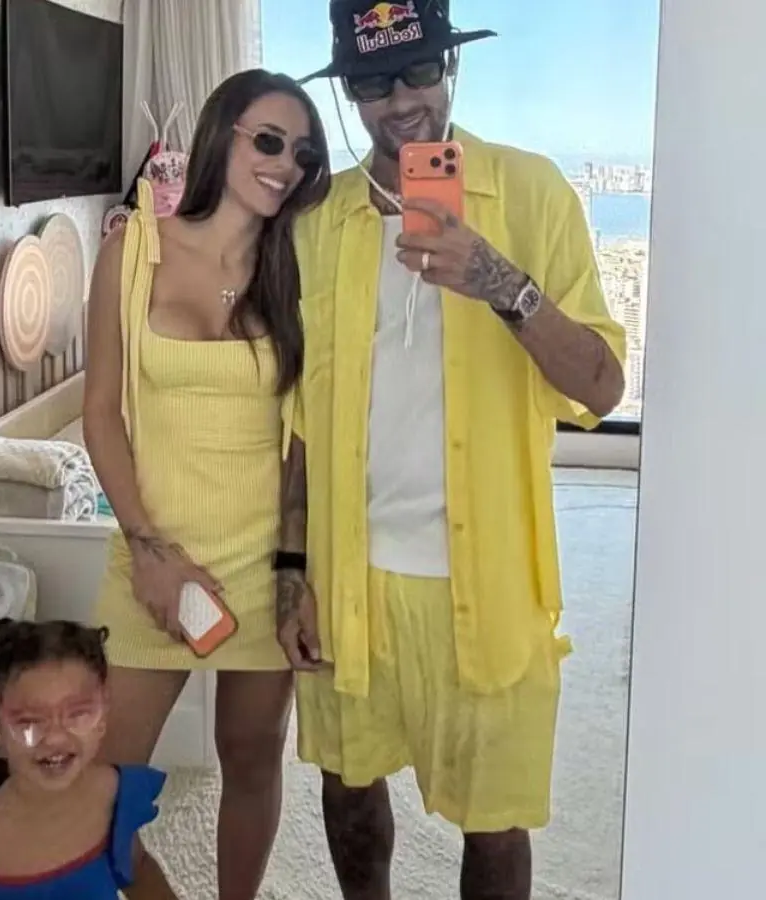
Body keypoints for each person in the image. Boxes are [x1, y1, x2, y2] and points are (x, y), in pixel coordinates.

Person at [274, 2, 628, 899]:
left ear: (451, 69)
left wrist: (500, 281)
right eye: (371, 81)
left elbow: (601, 388)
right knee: (349, 788)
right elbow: (302, 420)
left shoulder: (533, 194)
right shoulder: (317, 223)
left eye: (420, 71)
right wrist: (290, 569)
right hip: (350, 578)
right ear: (348, 93)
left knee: (495, 821)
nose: (401, 102)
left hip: (490, 582)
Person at [83, 69, 331, 898]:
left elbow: (304, 441)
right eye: (270, 141)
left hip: (263, 569)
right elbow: (101, 414)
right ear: (222, 134)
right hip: (152, 560)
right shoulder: (132, 250)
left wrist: (295, 574)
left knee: (253, 763)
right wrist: (149, 551)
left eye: (303, 153)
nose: (286, 165)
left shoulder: (299, 269)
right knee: (99, 797)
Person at [0, 619, 169, 899]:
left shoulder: (113, 797)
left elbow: (138, 869)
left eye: (78, 714)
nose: (55, 739)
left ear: (102, 717)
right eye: (29, 723)